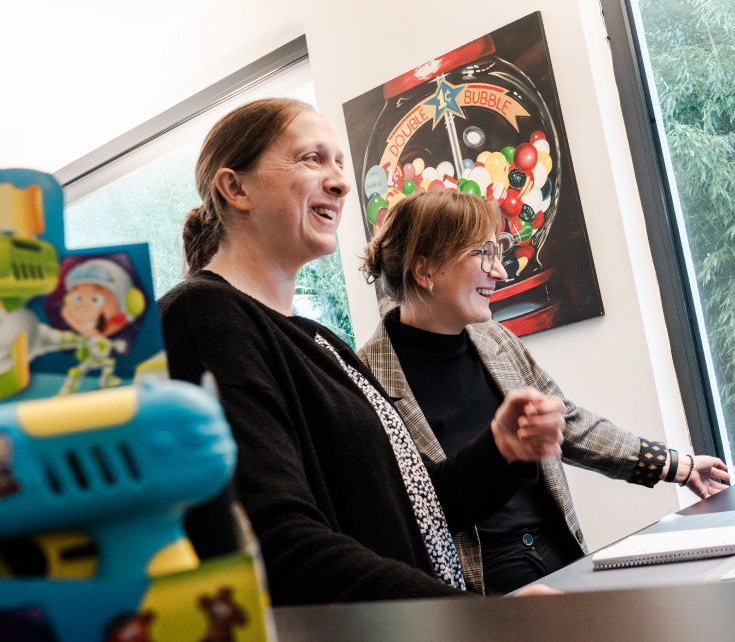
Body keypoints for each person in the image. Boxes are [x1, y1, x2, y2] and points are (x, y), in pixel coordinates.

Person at [159, 98, 567, 603]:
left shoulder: (319, 340)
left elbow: (416, 506)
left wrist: (502, 450)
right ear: (235, 187)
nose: (340, 181)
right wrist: (474, 618)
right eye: (311, 159)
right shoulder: (204, 316)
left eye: (339, 164)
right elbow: (275, 544)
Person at [358, 190, 730, 595]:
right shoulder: (366, 381)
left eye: (497, 250)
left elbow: (568, 423)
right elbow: (406, 515)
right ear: (423, 270)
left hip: (562, 557)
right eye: (482, 253)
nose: (499, 271)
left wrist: (675, 466)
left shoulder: (495, 339)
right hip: (486, 597)